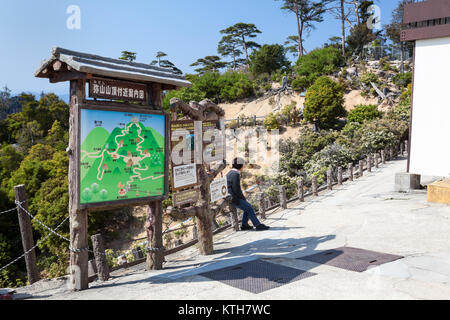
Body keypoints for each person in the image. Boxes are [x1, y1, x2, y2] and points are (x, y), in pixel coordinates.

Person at [226, 158, 270, 231]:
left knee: (248, 207)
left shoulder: (230, 173)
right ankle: (258, 225)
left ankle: (244, 225)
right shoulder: (235, 174)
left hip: (231, 197)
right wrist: (243, 198)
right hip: (234, 198)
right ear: (241, 165)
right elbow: (236, 189)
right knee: (249, 208)